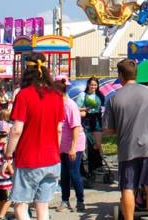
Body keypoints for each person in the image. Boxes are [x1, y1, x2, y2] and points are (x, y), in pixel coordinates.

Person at [103, 59, 148, 220]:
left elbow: (108, 129)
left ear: (120, 75)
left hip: (127, 146)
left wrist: (124, 126)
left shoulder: (113, 98)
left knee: (128, 187)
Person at [2, 53, 64, 220]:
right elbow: (59, 130)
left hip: (29, 158)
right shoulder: (57, 95)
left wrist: (8, 154)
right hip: (52, 159)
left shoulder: (24, 95)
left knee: (21, 206)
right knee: (42, 207)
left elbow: (16, 130)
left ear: (26, 71)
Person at [57, 78, 86, 213]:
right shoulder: (56, 105)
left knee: (73, 172)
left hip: (74, 144)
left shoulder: (70, 105)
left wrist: (73, 148)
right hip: (62, 145)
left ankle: (80, 200)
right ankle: (65, 200)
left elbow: (75, 127)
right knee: (64, 174)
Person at [75, 77, 104, 177]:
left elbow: (103, 107)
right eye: (91, 85)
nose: (93, 87)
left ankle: (97, 165)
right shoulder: (83, 95)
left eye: (95, 85)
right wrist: (85, 108)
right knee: (87, 144)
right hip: (87, 120)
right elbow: (77, 108)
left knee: (97, 144)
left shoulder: (100, 95)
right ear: (88, 85)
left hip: (97, 120)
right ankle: (86, 169)